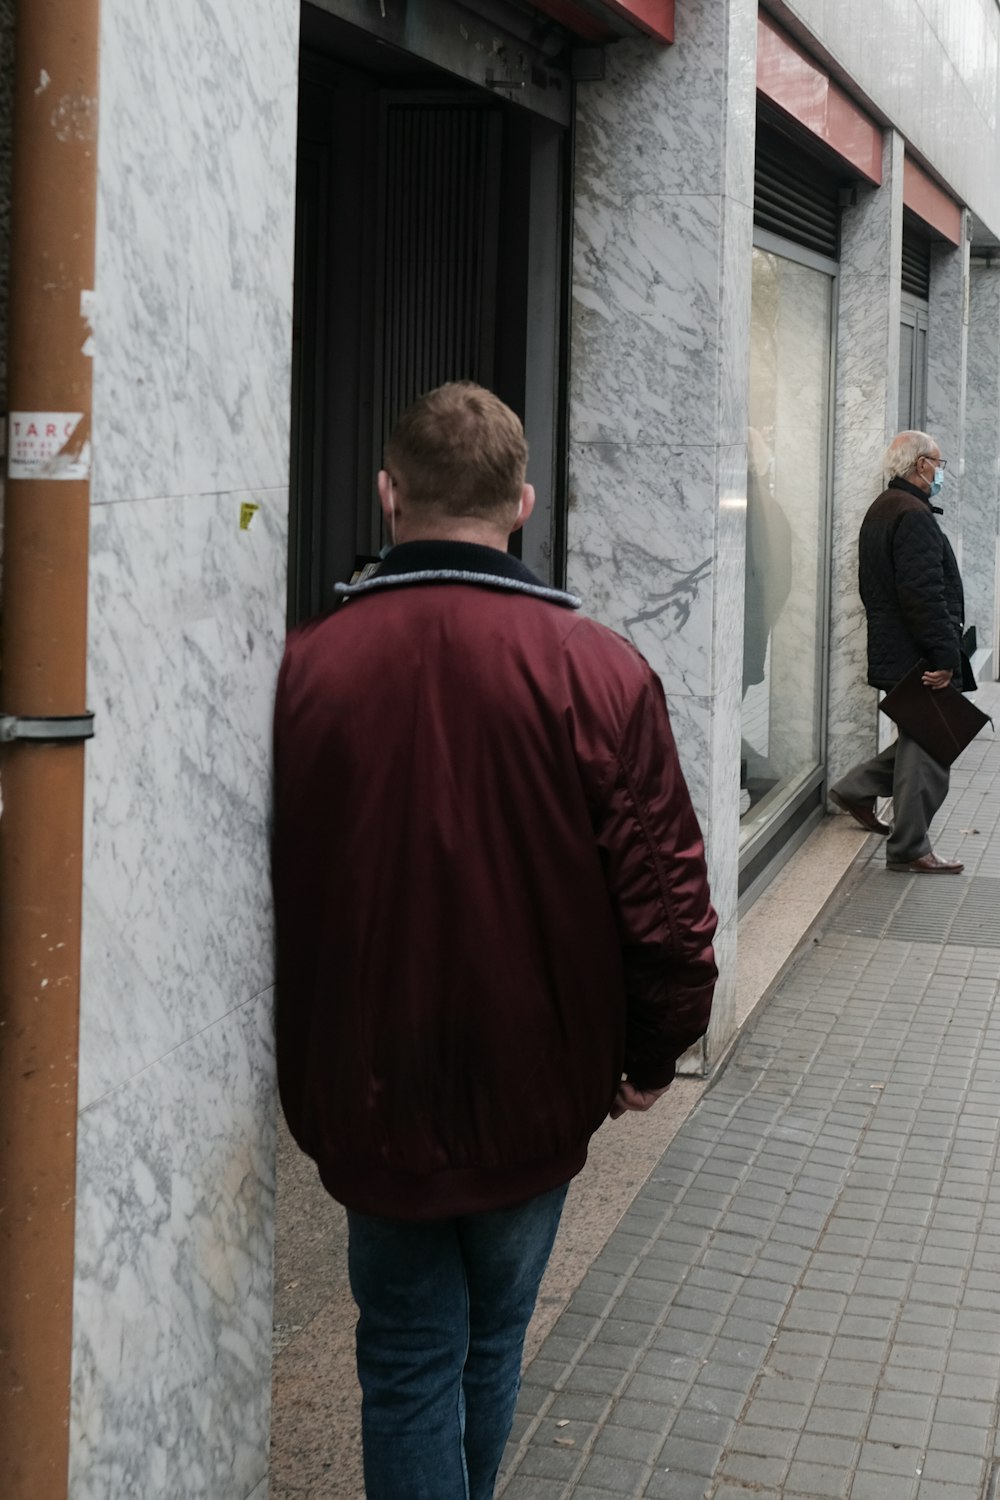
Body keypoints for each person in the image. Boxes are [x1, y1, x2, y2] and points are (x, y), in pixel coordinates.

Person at [272, 381, 718, 1500]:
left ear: (388, 496)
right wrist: (655, 1052)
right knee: (488, 1342)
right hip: (537, 1082)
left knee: (405, 1354)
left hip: (368, 1088)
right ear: (519, 504)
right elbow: (665, 896)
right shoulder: (598, 669)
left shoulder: (308, 669)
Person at [829, 429, 971, 873]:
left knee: (922, 736)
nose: (941, 471)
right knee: (931, 744)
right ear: (921, 464)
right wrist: (945, 658)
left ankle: (856, 788)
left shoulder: (886, 508)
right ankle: (910, 848)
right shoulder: (911, 515)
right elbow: (923, 595)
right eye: (938, 463)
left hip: (899, 650)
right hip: (919, 657)